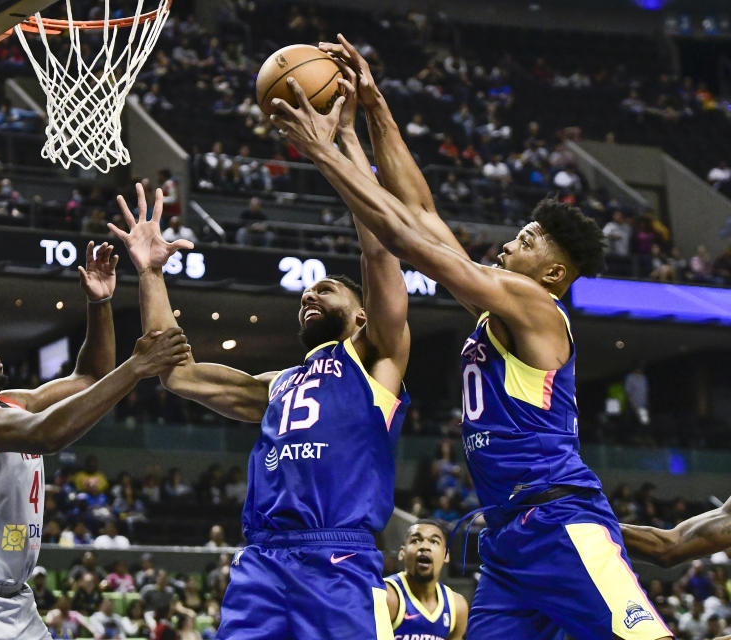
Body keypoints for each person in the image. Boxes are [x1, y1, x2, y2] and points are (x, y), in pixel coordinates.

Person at [268, 33, 672, 639]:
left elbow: (410, 241)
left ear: (554, 273)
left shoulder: (535, 305)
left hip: (560, 521)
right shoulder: (499, 307)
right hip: (508, 542)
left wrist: (324, 152)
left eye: (529, 240)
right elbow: (423, 211)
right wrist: (371, 112)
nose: (513, 240)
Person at [110, 168, 410, 635]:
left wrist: (351, 176)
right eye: (308, 291)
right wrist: (150, 273)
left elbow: (378, 253)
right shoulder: (277, 383)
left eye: (326, 289)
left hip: (338, 556)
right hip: (263, 562)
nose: (310, 292)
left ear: (361, 315)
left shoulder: (376, 364)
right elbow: (176, 372)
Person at [0, 240, 189, 640]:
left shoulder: (12, 403)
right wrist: (137, 367)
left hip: (16, 604)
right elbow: (47, 434)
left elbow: (91, 377)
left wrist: (99, 304)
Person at [384, 521, 468, 640]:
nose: (424, 546)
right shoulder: (386, 596)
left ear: (446, 555)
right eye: (415, 540)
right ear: (402, 553)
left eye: (434, 541)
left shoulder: (457, 607)